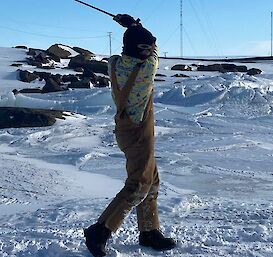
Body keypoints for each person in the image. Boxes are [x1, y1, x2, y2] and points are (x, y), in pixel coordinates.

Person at [83, 14, 176, 257]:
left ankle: (149, 231)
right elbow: (154, 50)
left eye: (147, 48)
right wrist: (135, 25)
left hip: (126, 129)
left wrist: (133, 30)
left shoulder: (114, 63)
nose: (147, 51)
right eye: (143, 48)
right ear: (135, 49)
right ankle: (100, 231)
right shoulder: (146, 68)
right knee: (138, 185)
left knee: (151, 181)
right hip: (138, 133)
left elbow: (143, 46)